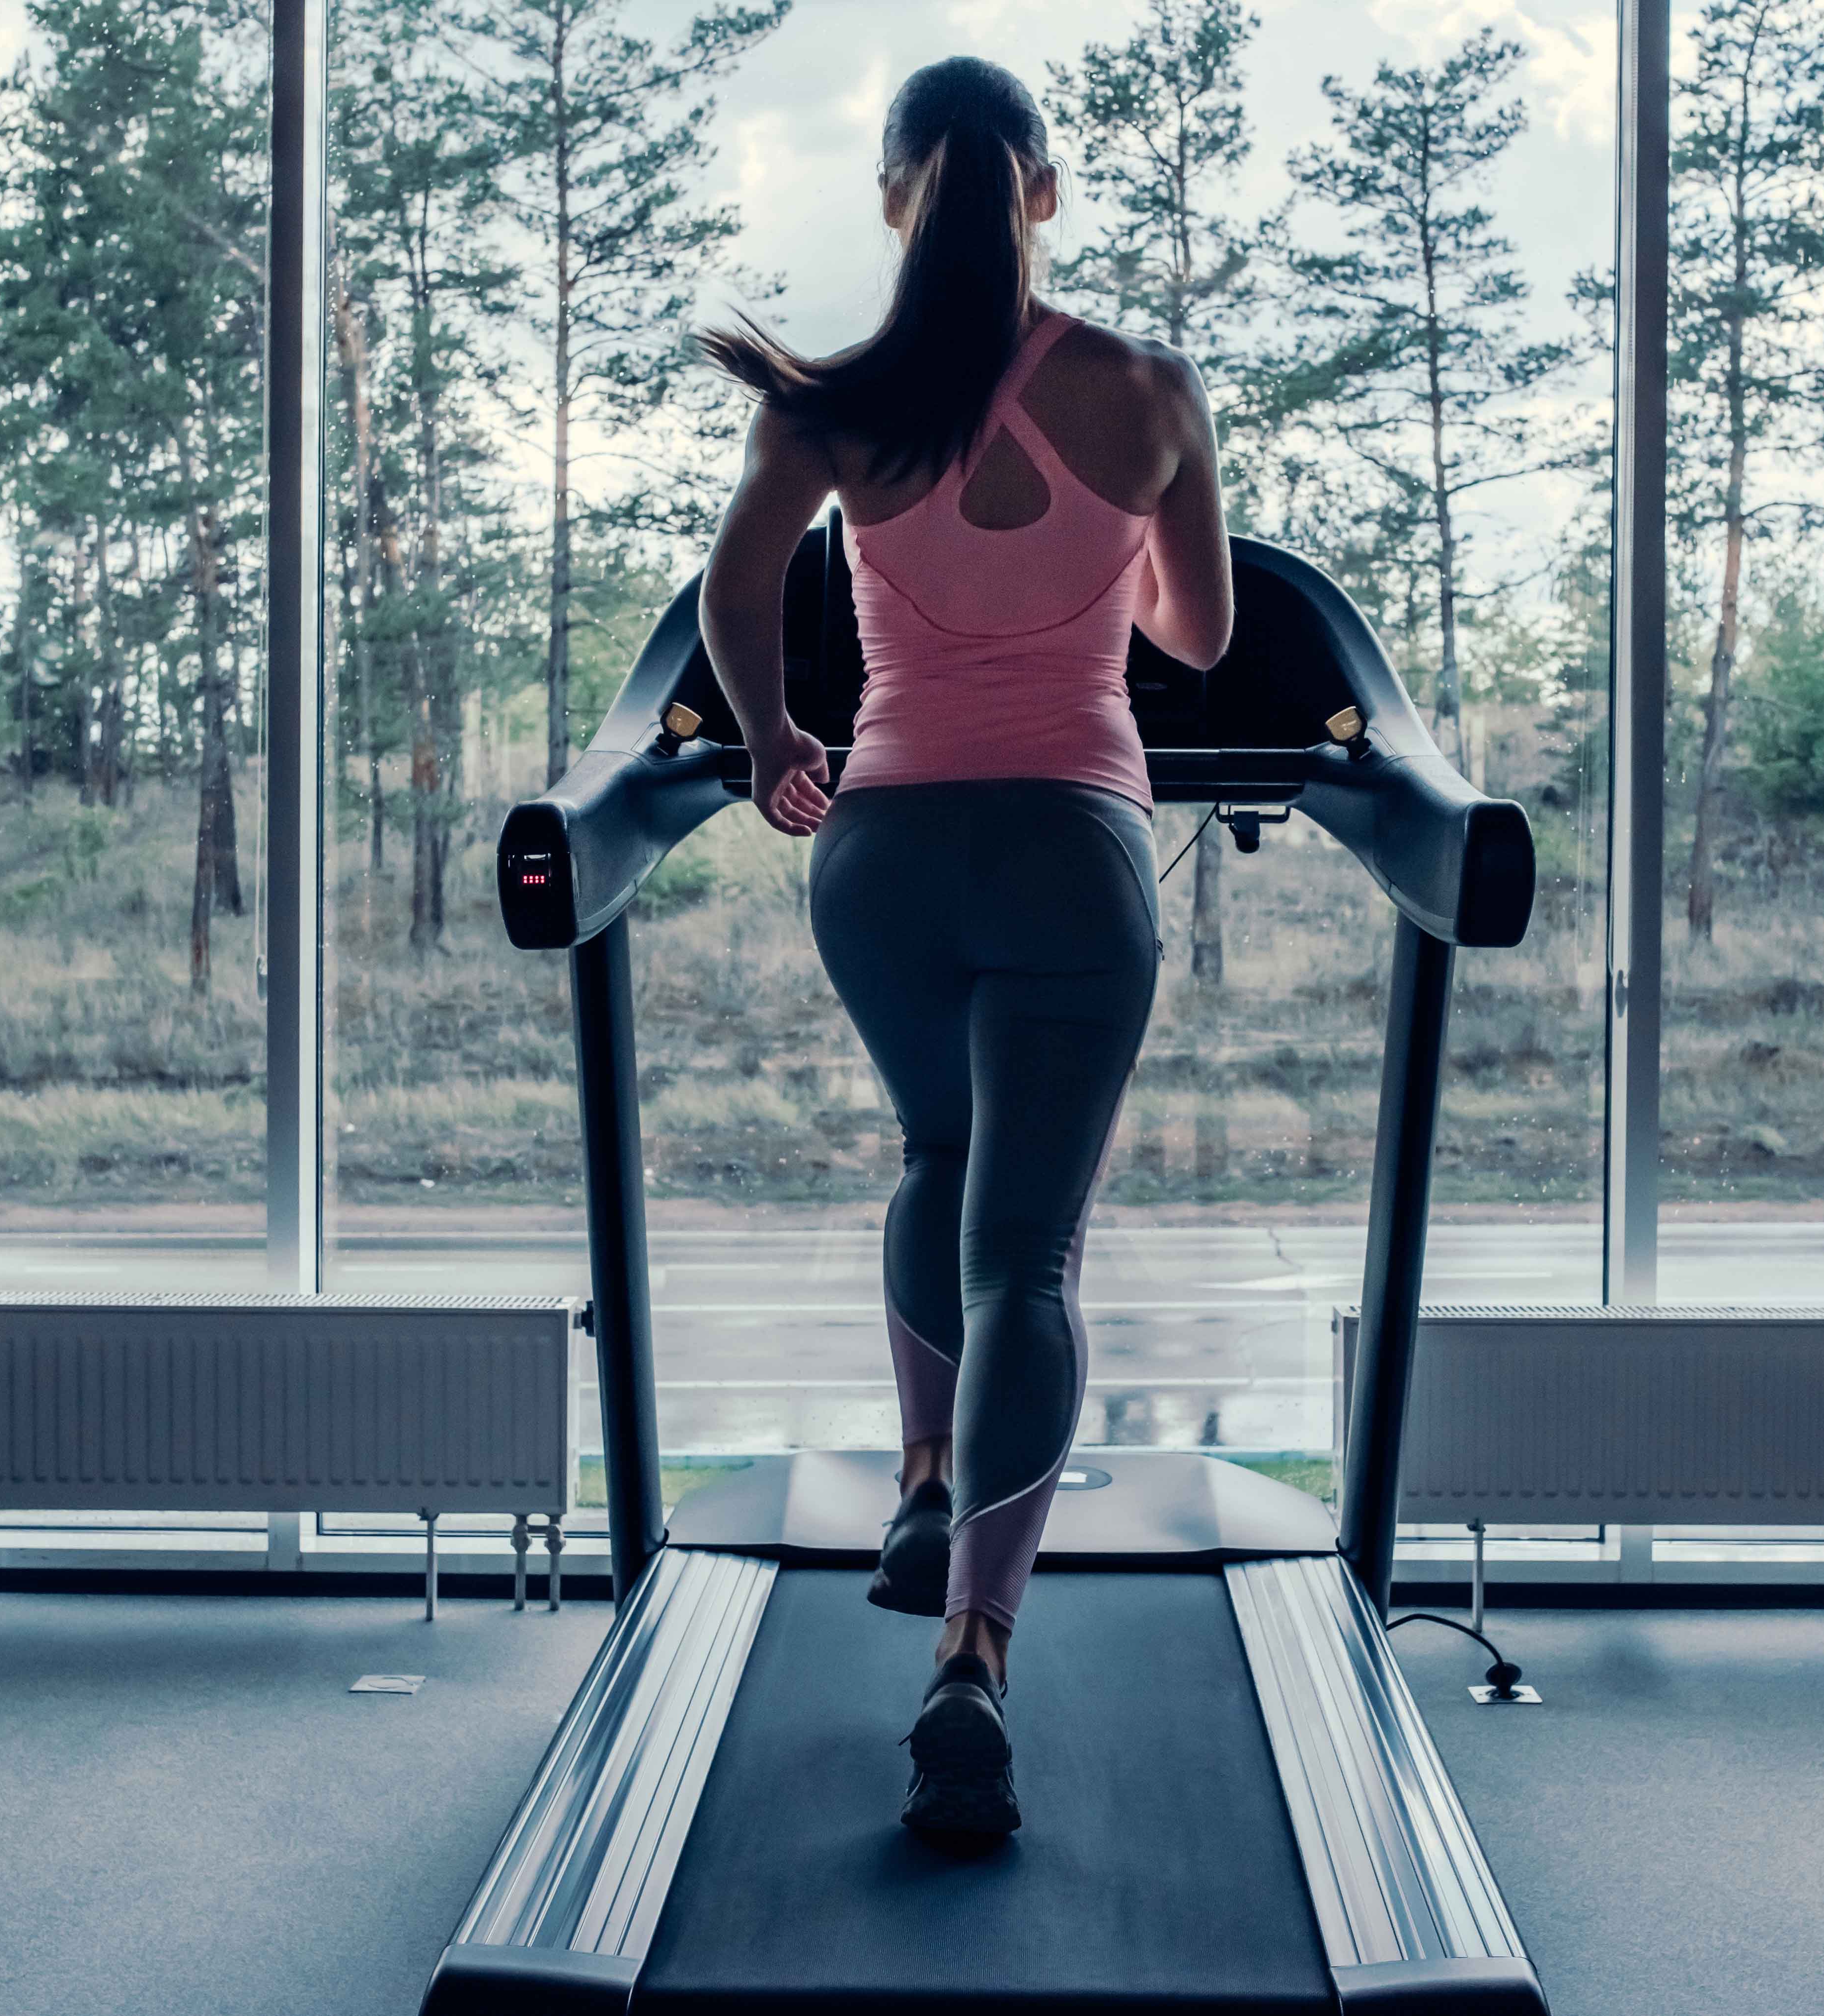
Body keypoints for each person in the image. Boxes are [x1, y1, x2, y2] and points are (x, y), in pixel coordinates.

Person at [694, 54, 1233, 1840]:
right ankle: (974, 1654)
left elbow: (737, 583)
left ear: (898, 194)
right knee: (1036, 1256)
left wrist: (780, 737)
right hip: (1074, 845)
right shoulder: (1150, 392)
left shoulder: (838, 408)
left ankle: (922, 1469)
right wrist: (1118, 564)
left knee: (936, 1148)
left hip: (885, 851)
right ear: (1043, 195)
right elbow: (1207, 637)